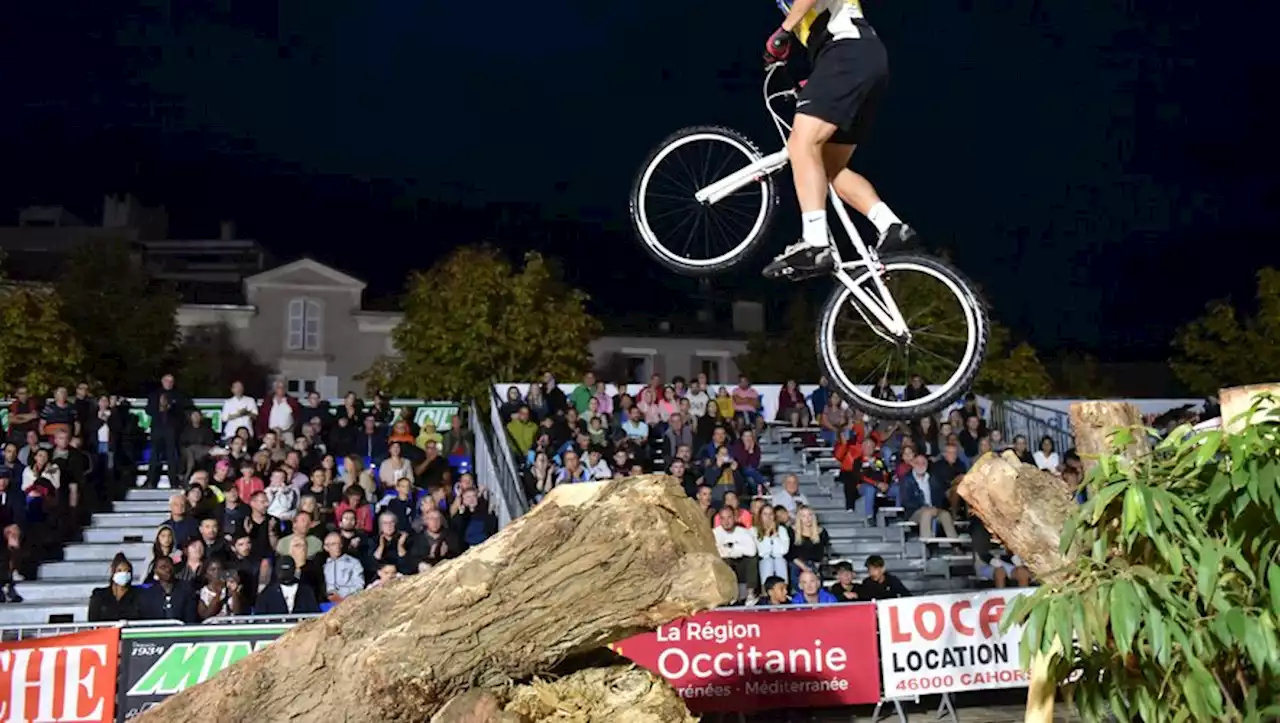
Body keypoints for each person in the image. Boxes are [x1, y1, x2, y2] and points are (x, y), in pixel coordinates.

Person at [761, 0, 915, 281]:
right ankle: (890, 225)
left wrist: (783, 31)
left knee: (801, 144)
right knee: (830, 169)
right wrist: (818, 79)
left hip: (848, 54)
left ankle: (815, 243)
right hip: (864, 60)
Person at [88, 553, 142, 621]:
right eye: (119, 570)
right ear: (113, 572)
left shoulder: (138, 595)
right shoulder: (99, 596)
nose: (124, 574)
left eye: (127, 571)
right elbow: (92, 621)